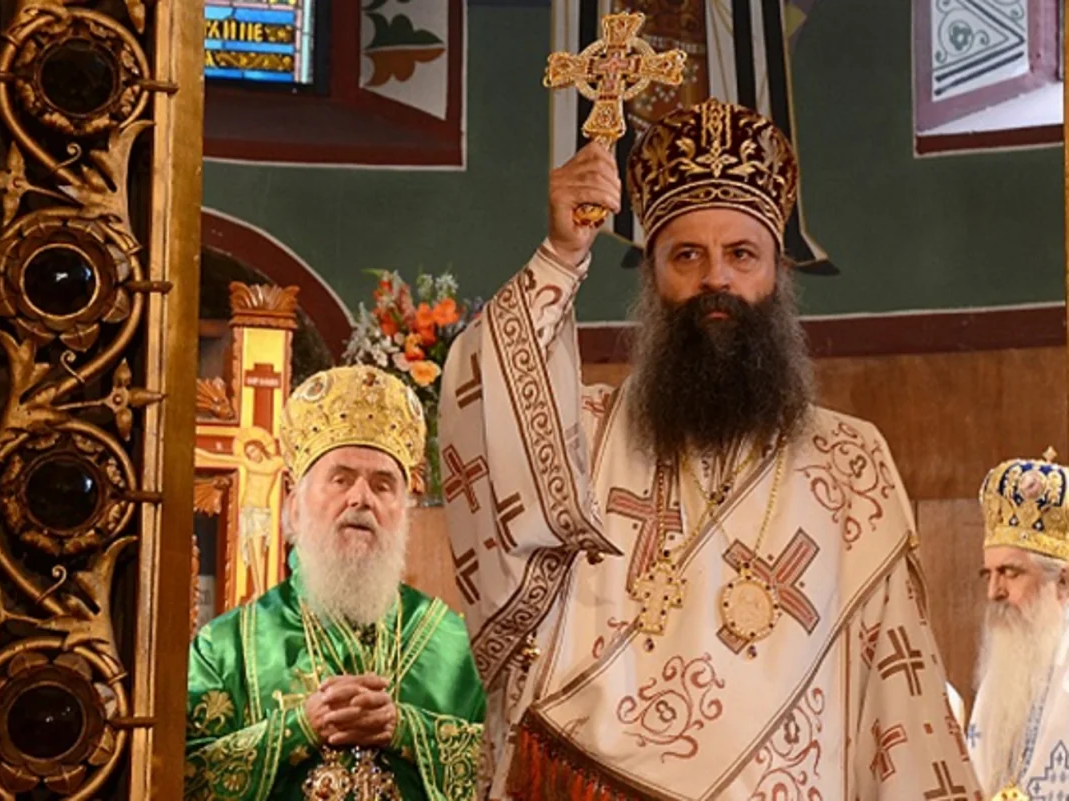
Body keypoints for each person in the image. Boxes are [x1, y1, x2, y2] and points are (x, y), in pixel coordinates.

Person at [438, 98, 979, 799]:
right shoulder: (588, 435)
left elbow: (897, 701)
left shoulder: (850, 462)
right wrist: (560, 256)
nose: (715, 278)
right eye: (686, 255)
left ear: (778, 274)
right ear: (653, 277)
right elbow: (485, 413)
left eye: (741, 255)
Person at [185, 365, 486, 800]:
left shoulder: (460, 650)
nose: (361, 498)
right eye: (340, 479)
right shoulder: (226, 650)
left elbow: (509, 771)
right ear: (295, 506)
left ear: (404, 511)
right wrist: (299, 728)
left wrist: (407, 729)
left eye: (383, 485)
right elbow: (179, 777)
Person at [968, 452, 1069, 800]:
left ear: (1063, 581)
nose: (994, 592)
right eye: (989, 574)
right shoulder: (1003, 672)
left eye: (1011, 573)